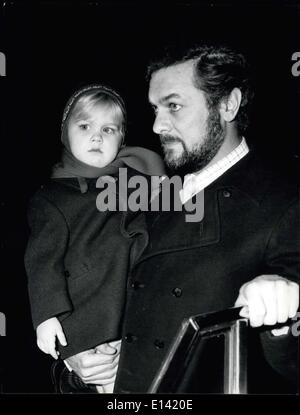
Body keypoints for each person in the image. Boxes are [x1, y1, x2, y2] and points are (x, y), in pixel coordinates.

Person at [64, 45, 299, 393]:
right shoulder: (141, 191)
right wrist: (75, 358)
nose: (158, 126)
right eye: (155, 109)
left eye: (173, 106)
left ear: (228, 104)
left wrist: (282, 318)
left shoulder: (284, 202)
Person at [24, 84, 165, 393]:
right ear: (65, 133)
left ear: (122, 139)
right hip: (86, 318)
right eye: (85, 126)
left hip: (137, 315)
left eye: (108, 129)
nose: (96, 136)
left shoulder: (136, 182)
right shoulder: (54, 197)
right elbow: (42, 261)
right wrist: (46, 317)